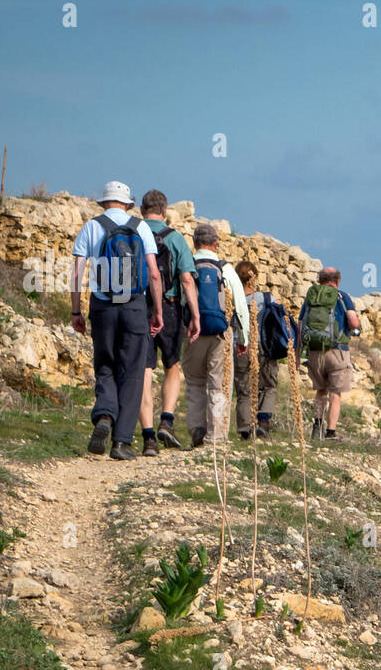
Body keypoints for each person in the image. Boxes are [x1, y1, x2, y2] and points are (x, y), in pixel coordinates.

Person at [70, 180, 163, 460]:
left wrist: (76, 311)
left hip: (103, 307)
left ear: (103, 202)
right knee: (133, 373)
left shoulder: (91, 227)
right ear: (128, 204)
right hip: (134, 306)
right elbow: (154, 274)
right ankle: (122, 442)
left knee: (105, 365)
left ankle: (105, 415)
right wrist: (156, 311)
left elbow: (76, 274)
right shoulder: (141, 227)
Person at [137, 189, 199, 455]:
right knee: (172, 365)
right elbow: (186, 279)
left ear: (142, 210)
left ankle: (148, 436)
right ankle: (167, 420)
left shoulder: (134, 233)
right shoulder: (175, 239)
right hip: (171, 308)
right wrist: (195, 315)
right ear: (164, 212)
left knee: (144, 370)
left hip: (139, 306)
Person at [182, 223, 249, 447]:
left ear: (194, 242)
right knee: (218, 384)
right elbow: (240, 305)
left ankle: (197, 428)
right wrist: (244, 338)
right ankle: (216, 435)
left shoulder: (187, 264)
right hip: (221, 332)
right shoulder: (225, 269)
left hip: (192, 330)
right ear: (216, 243)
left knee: (194, 382)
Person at [298, 266, 360, 441]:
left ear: (320, 279)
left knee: (320, 390)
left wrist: (297, 354)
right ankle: (331, 432)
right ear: (337, 280)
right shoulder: (342, 297)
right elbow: (353, 322)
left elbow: (300, 324)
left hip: (314, 352)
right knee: (335, 393)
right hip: (337, 351)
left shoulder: (311, 298)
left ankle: (317, 425)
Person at [232, 261, 282, 439]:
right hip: (265, 346)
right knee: (269, 385)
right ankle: (263, 422)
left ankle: (245, 428)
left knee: (244, 389)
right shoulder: (268, 299)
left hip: (240, 347)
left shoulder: (234, 301)